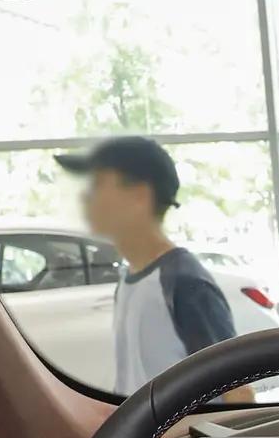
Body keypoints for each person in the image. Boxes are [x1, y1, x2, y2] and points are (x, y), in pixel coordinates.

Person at [55, 136, 237, 391]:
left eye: (97, 185)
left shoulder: (185, 283)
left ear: (139, 197)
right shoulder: (129, 278)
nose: (85, 198)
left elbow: (237, 389)